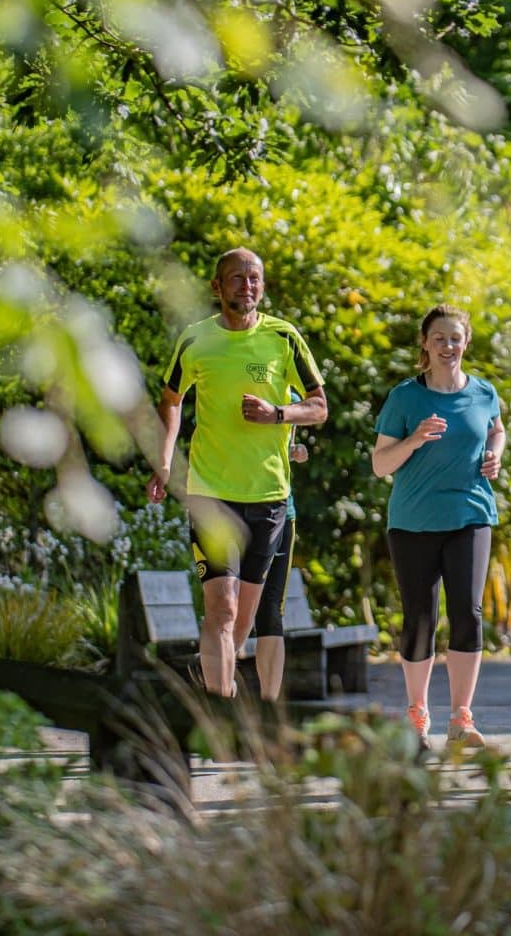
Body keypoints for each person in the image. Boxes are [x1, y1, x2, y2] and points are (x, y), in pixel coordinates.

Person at [146, 247, 327, 698]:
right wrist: (164, 459)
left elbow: (319, 407)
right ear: (217, 287)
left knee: (242, 619)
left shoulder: (283, 339)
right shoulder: (195, 340)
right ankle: (221, 710)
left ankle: (218, 685)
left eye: (254, 279)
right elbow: (171, 401)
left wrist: (278, 414)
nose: (247, 286)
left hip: (267, 494)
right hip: (209, 492)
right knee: (221, 609)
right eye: (237, 278)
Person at [372, 304, 505, 752]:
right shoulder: (405, 398)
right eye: (439, 339)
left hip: (471, 515)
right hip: (413, 523)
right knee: (420, 618)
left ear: (466, 342)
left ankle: (461, 718)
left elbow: (497, 429)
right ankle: (416, 713)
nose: (448, 346)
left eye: (456, 338)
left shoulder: (484, 392)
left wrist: (495, 454)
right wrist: (414, 439)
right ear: (424, 345)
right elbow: (380, 464)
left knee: (468, 611)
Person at [247, 409, 310, 701]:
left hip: (282, 512)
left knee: (270, 609)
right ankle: (219, 687)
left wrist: (296, 451)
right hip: (234, 508)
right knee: (230, 606)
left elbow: (289, 443)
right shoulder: (229, 385)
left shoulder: (293, 401)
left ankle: (268, 705)